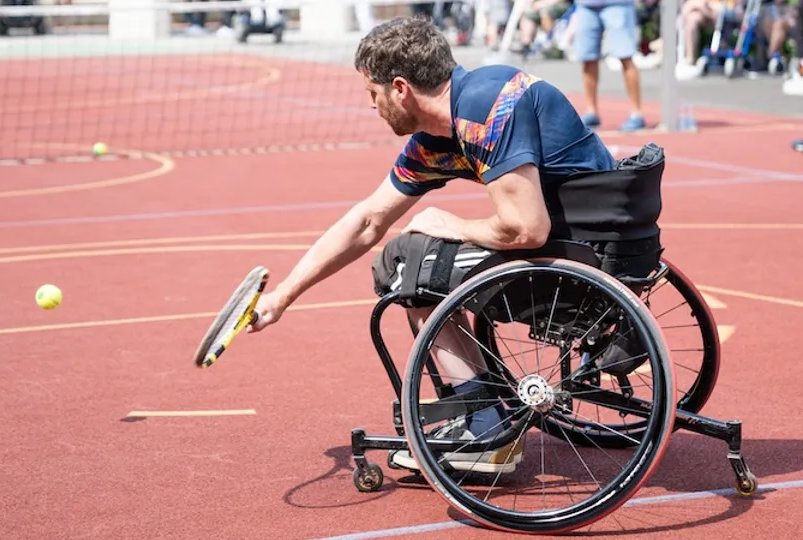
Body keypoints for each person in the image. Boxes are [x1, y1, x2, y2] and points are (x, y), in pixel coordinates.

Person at [247, 16, 663, 474]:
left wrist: (453, 223)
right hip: (592, 239)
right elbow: (367, 220)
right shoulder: (444, 133)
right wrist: (284, 295)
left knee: (406, 266)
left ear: (400, 88)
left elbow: (527, 230)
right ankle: (482, 407)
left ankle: (484, 423)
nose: (372, 106)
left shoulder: (484, 110)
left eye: (372, 93)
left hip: (578, 256)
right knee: (407, 249)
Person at [570, 0, 646, 130]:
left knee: (625, 55)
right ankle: (591, 111)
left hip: (618, 4)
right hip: (586, 5)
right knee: (587, 58)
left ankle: (636, 112)